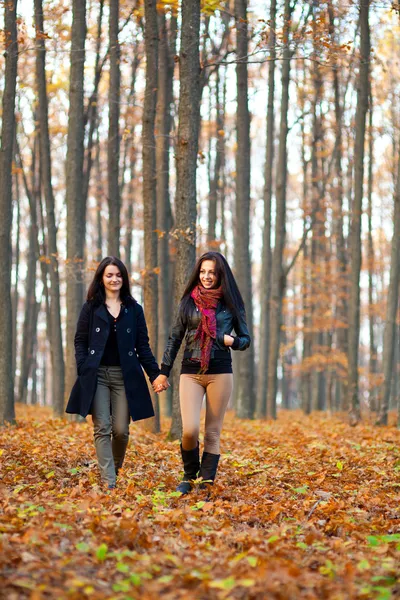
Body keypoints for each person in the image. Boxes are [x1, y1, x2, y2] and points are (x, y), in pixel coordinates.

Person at [66, 256, 168, 490]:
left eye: (118, 275)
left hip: (125, 376)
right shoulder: (91, 308)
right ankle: (109, 483)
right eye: (109, 275)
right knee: (102, 427)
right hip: (97, 375)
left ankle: (113, 469)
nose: (114, 279)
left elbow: (142, 346)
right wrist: (83, 367)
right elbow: (80, 341)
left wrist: (155, 375)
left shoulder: (134, 309)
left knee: (121, 431)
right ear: (101, 279)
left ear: (124, 278)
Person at [155, 251, 251, 494]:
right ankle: (189, 475)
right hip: (190, 371)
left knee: (212, 433)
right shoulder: (188, 302)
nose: (207, 276)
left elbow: (246, 339)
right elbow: (174, 338)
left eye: (212, 272)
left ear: (220, 275)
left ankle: (205, 484)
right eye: (203, 272)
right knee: (189, 430)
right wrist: (163, 371)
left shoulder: (232, 304)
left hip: (220, 372)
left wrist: (230, 341)